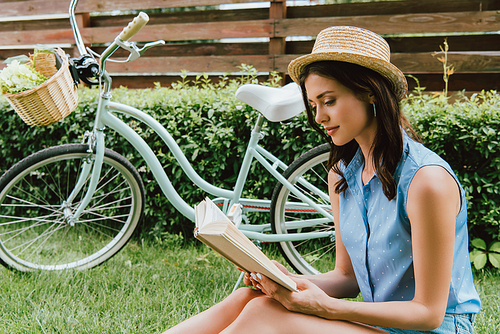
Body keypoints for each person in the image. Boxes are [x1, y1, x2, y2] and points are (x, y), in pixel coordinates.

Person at [163, 26, 481, 334]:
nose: (319, 117)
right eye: (313, 105)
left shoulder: (427, 182)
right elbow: (346, 277)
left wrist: (327, 308)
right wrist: (285, 282)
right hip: (380, 326)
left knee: (263, 316)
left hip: (431, 331)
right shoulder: (341, 174)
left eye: (329, 101)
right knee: (253, 297)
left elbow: (427, 313)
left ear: (370, 91)